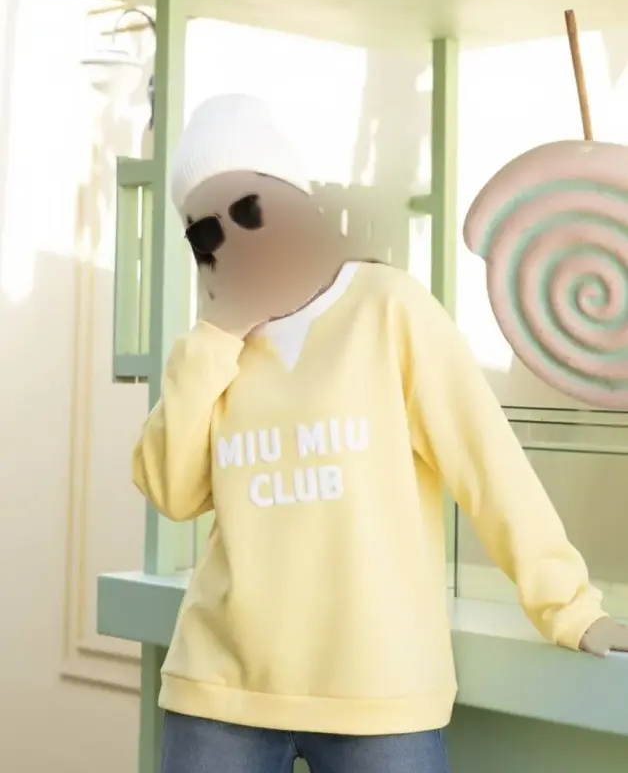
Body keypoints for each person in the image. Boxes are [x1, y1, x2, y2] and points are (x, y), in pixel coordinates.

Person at [133, 93, 625, 773]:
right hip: (219, 691)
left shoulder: (388, 308)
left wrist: (569, 608)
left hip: (380, 695)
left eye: (248, 210)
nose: (233, 240)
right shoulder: (216, 348)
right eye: (205, 232)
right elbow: (172, 491)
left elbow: (489, 465)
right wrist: (217, 336)